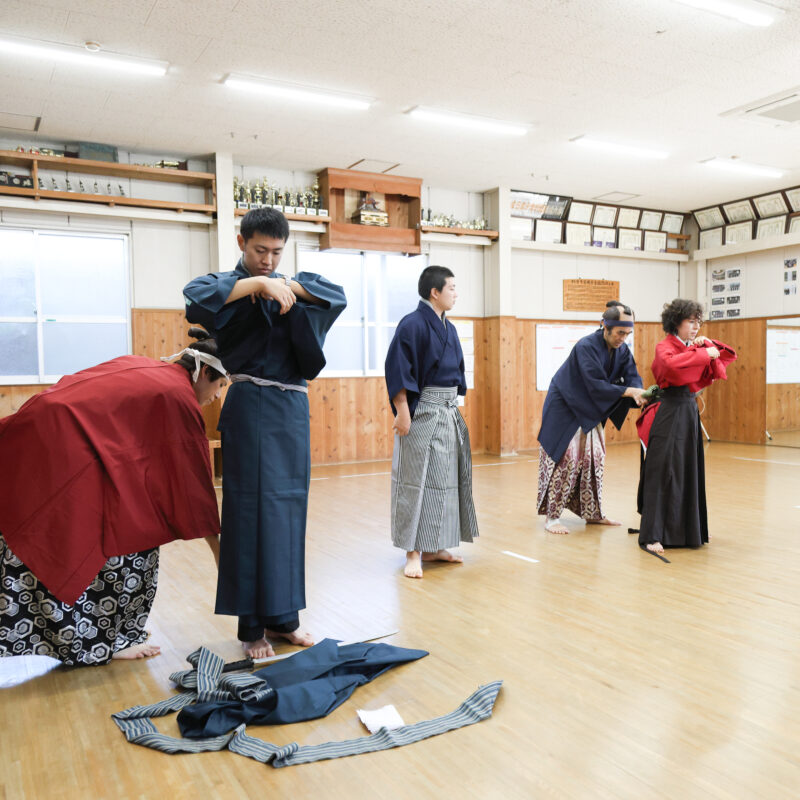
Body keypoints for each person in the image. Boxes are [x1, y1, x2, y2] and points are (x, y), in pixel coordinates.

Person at [0, 329, 227, 666]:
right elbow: (194, 484)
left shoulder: (143, 365)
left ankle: (115, 636)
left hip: (40, 438)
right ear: (204, 372)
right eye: (220, 385)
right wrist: (222, 558)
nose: (217, 397)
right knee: (126, 540)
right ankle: (105, 642)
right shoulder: (176, 396)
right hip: (66, 455)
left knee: (132, 523)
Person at [183, 207, 346, 659]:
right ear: (241, 243)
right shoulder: (227, 286)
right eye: (260, 251)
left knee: (289, 512)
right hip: (251, 403)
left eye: (276, 252)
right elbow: (195, 298)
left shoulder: (293, 282)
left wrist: (285, 286)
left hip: (291, 407)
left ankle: (285, 618)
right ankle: (251, 628)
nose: (268, 260)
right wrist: (257, 285)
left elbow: (336, 296)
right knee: (250, 514)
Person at [385, 265, 479, 579]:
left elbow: (457, 372)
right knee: (416, 482)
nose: (456, 293)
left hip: (447, 410)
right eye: (451, 287)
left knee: (445, 482)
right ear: (434, 292)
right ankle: (412, 552)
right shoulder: (412, 324)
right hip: (421, 411)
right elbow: (398, 369)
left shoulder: (448, 328)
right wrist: (402, 412)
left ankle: (435, 546)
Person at [636, 299, 736, 555]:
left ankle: (693, 529)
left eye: (698, 321)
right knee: (662, 470)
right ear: (675, 322)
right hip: (669, 410)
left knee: (688, 468)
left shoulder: (693, 346)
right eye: (690, 321)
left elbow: (720, 364)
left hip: (688, 410)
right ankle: (652, 534)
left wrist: (705, 347)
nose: (695, 326)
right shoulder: (664, 346)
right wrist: (702, 353)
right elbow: (671, 368)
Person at [537, 302, 646, 534]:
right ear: (605, 326)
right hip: (566, 406)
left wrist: (639, 393)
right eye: (619, 333)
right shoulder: (586, 346)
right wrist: (628, 392)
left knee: (594, 459)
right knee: (567, 459)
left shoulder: (623, 350)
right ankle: (552, 517)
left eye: (627, 334)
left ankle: (593, 513)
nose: (623, 338)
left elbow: (632, 376)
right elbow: (594, 384)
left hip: (589, 408)